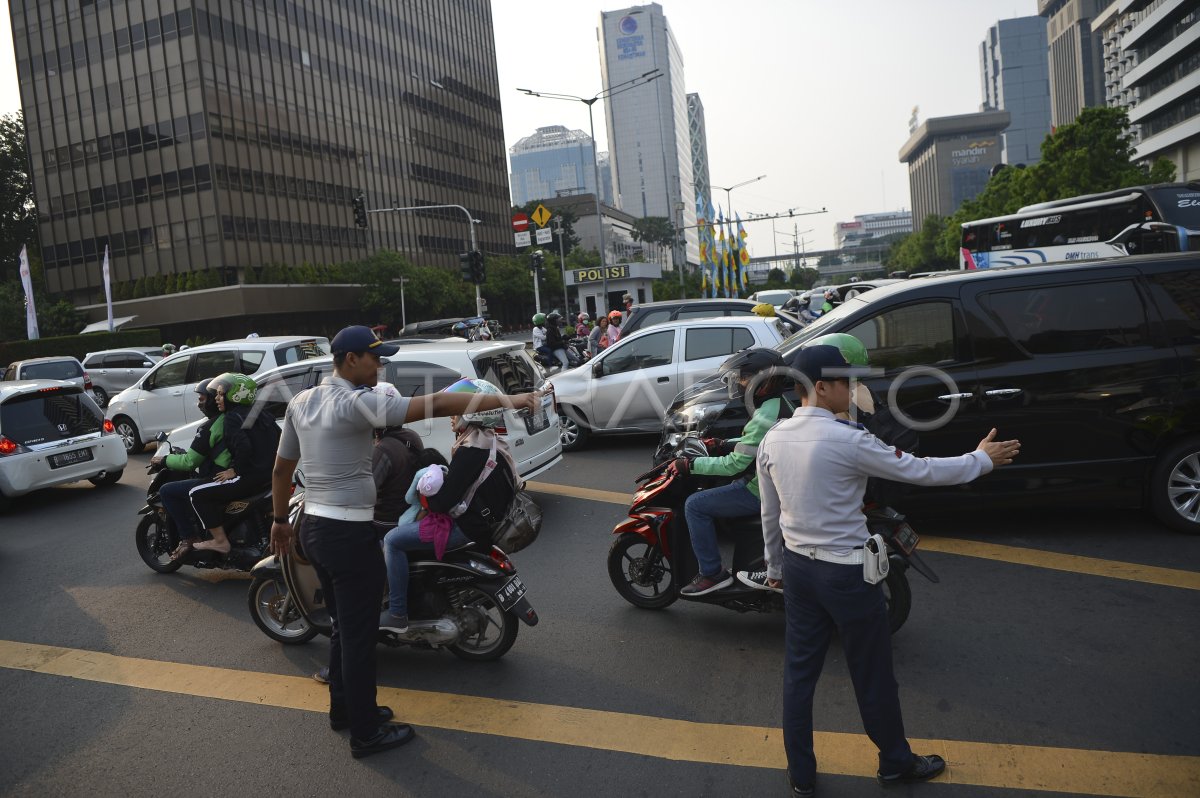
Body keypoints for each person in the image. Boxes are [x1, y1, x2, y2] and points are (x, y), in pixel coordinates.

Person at [756, 345, 1020, 795]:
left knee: (799, 676)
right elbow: (920, 471)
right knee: (872, 675)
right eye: (846, 381)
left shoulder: (773, 438)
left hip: (799, 571)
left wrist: (775, 567)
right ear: (821, 387)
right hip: (848, 576)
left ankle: (801, 775)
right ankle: (895, 763)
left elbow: (770, 513)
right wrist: (981, 460)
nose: (854, 388)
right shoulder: (848, 440)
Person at [267, 325, 539, 759]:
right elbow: (437, 403)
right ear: (351, 360)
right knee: (358, 637)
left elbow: (282, 471)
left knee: (342, 627)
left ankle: (346, 711)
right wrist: (509, 400)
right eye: (375, 358)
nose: (381, 365)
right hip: (347, 532)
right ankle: (365, 733)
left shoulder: (302, 401)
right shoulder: (356, 402)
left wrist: (280, 521)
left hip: (313, 528)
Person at [739, 333, 876, 594]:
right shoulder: (860, 391)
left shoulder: (842, 399)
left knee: (777, 502)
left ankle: (769, 570)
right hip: (852, 479)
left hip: (829, 527)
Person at [380, 378, 519, 630]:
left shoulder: (472, 450)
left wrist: (425, 494)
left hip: (466, 527)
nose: (451, 417)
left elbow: (443, 503)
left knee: (392, 540)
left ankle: (397, 612)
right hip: (485, 522)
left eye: (456, 411)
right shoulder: (492, 442)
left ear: (472, 414)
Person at [673, 349, 793, 596]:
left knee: (695, 505)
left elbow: (734, 465)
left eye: (744, 378)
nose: (739, 383)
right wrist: (723, 442)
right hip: (779, 481)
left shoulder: (764, 416)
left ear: (764, 381)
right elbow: (757, 442)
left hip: (761, 490)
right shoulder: (778, 405)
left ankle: (711, 574)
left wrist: (690, 465)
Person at [188, 373, 280, 554]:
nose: (217, 399)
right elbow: (279, 440)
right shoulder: (262, 414)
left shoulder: (232, 417)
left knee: (196, 493)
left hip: (249, 478)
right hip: (269, 477)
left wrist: (235, 470)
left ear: (235, 396)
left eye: (221, 394)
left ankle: (220, 541)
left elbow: (243, 447)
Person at [152, 380, 230, 559]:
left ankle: (188, 537)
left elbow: (189, 462)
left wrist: (164, 460)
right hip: (232, 472)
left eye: (202, 399)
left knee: (167, 491)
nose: (199, 404)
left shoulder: (210, 427)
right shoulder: (230, 418)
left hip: (217, 477)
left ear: (212, 401)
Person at [370, 382, 425, 538]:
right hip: (408, 513)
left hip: (385, 521)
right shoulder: (412, 436)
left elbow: (366, 492)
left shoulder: (383, 449)